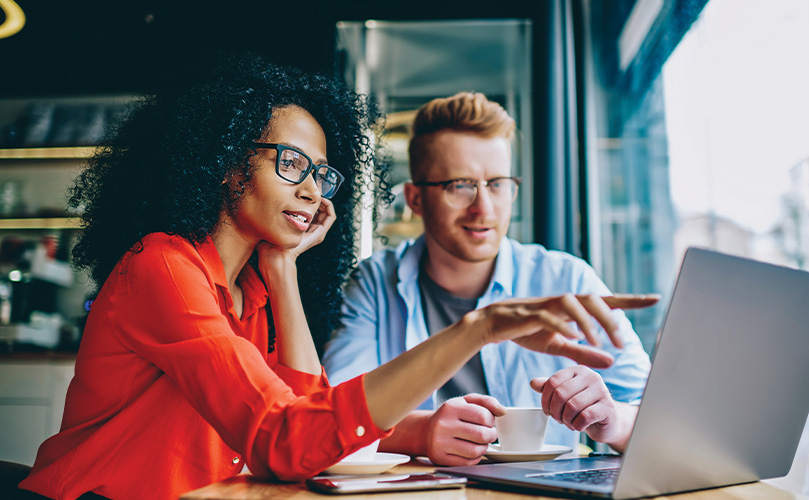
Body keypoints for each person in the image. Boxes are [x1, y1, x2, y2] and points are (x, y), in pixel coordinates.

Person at [19, 56, 657, 500]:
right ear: (225, 163)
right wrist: (478, 330)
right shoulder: (164, 265)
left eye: (321, 173)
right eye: (290, 162)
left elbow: (307, 418)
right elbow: (287, 438)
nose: (309, 188)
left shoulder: (256, 289)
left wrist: (284, 265)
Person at [322, 92, 654, 466]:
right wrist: (421, 432)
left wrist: (613, 421)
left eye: (497, 184)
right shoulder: (375, 282)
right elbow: (331, 416)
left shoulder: (566, 278)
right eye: (460, 185)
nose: (484, 207)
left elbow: (660, 416)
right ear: (415, 199)